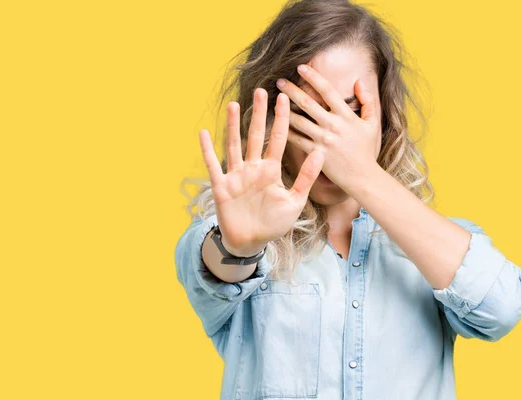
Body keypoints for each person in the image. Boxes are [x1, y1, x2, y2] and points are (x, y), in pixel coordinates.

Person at [174, 1, 521, 399]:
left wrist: (362, 174)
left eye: (349, 114)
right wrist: (238, 246)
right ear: (271, 118)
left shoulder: (436, 245)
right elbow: (214, 269)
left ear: (386, 116)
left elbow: (501, 309)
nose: (326, 144)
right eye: (306, 116)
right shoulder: (232, 232)